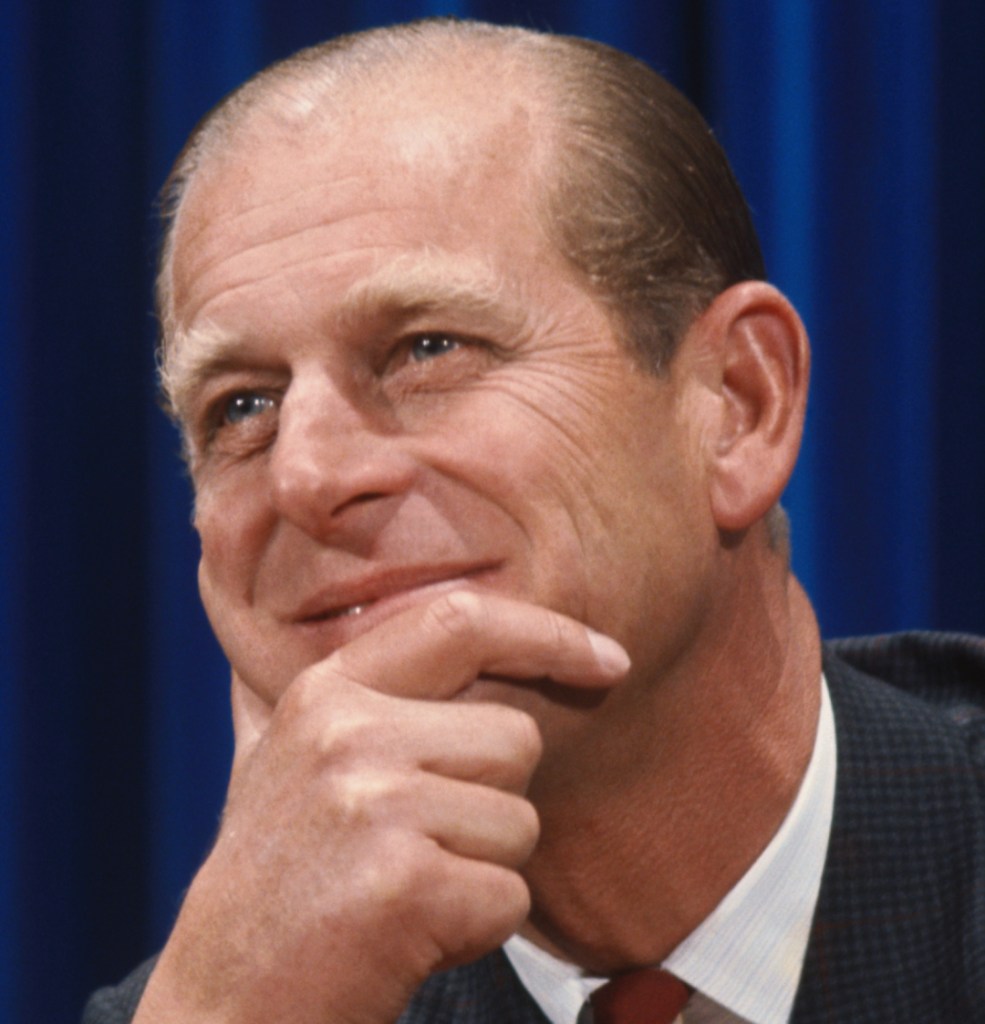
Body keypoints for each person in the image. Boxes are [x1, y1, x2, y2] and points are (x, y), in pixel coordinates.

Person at [83, 17, 985, 1024]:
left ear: (737, 404)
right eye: (241, 407)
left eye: (427, 348)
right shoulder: (227, 1001)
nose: (306, 475)